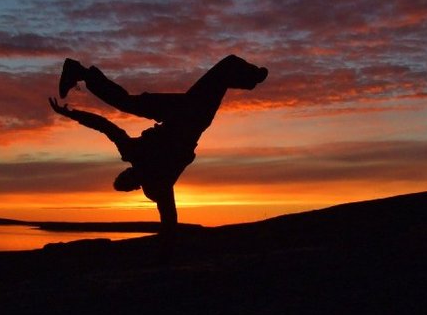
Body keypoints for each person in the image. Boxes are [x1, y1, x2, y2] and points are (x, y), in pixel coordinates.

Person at [48, 55, 268, 236]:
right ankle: (251, 78)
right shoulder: (155, 183)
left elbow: (104, 126)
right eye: (128, 178)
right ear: (135, 185)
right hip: (189, 118)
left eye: (125, 175)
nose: (129, 173)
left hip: (181, 116)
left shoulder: (136, 159)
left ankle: (79, 72)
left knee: (128, 102)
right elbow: (169, 219)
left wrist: (71, 114)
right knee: (225, 71)